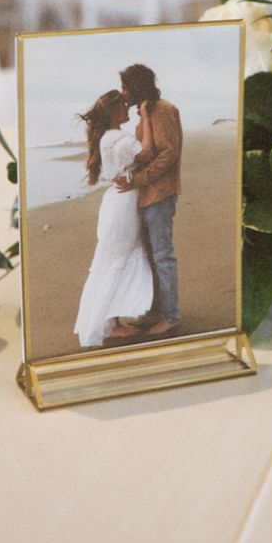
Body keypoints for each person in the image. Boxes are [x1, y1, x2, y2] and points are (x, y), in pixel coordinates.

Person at [73, 89, 155, 348]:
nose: (128, 109)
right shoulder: (117, 137)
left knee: (113, 260)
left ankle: (113, 321)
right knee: (117, 260)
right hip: (123, 204)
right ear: (112, 112)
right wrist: (148, 119)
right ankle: (112, 325)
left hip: (118, 201)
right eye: (123, 106)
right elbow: (147, 154)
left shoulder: (108, 137)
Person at [115, 63, 183, 338]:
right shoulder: (146, 113)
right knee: (152, 257)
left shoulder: (163, 110)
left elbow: (169, 154)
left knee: (163, 256)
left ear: (136, 87)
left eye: (125, 87)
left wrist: (138, 180)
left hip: (160, 193)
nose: (122, 93)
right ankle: (156, 310)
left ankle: (171, 316)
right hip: (147, 194)